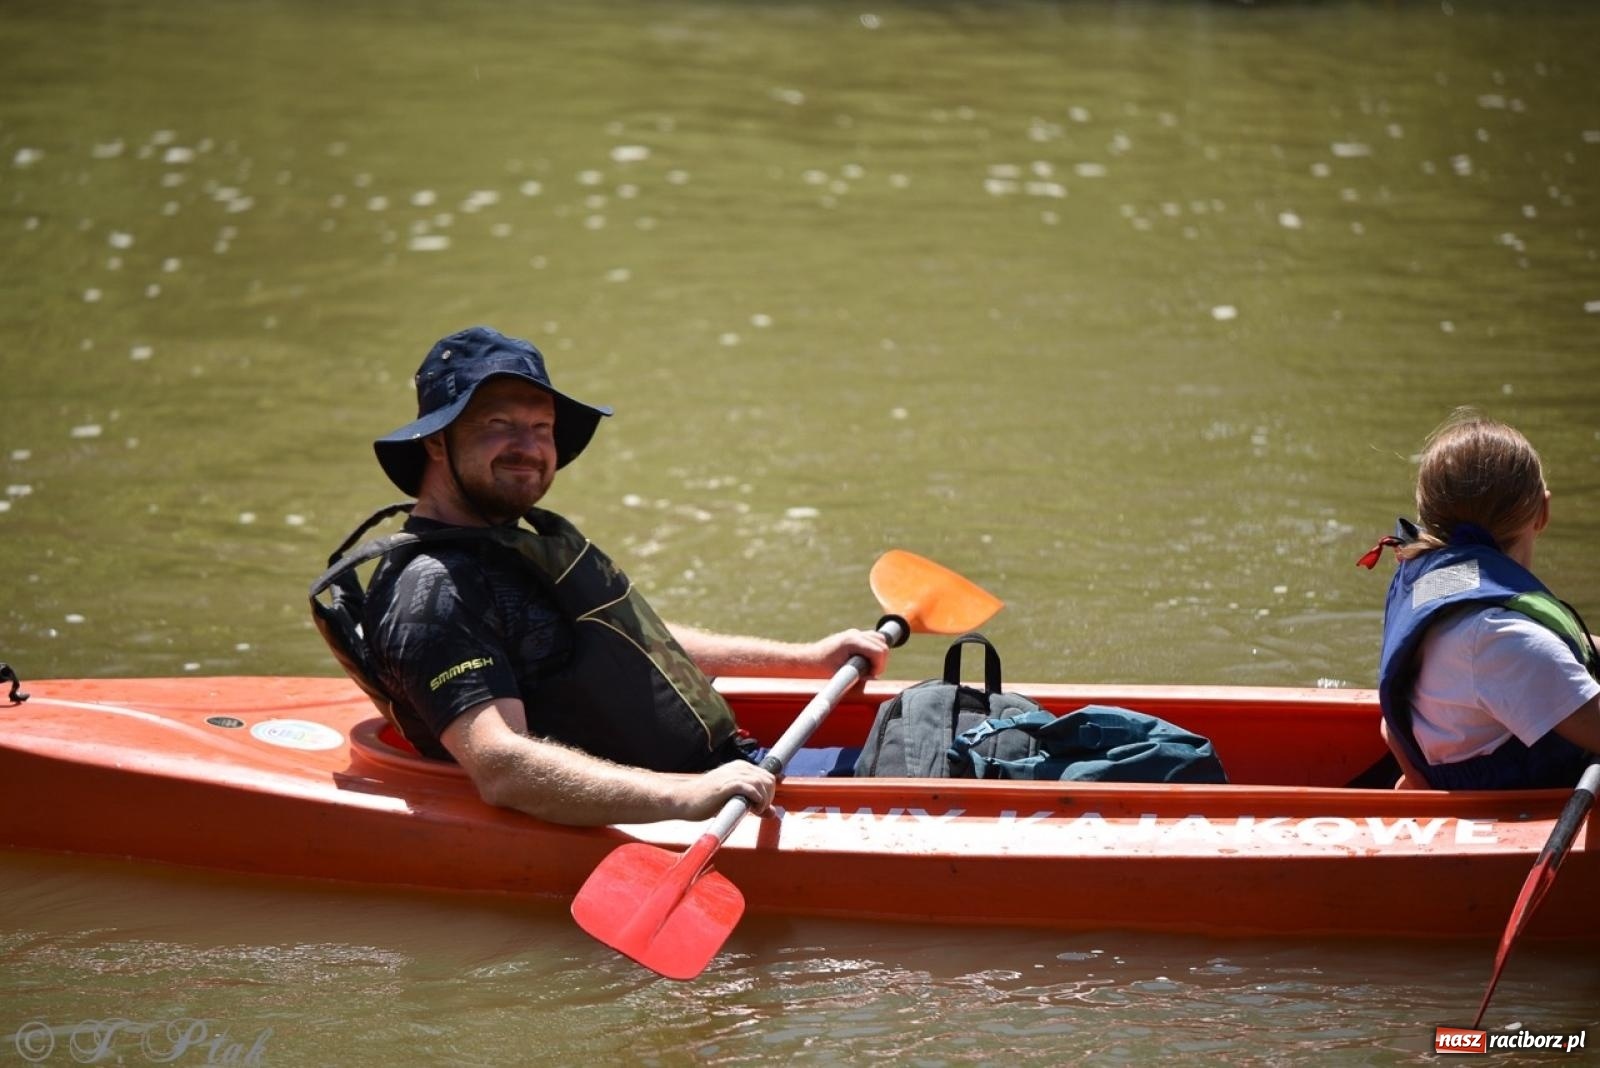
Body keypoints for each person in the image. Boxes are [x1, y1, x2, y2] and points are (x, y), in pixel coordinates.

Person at [315, 325, 890, 826]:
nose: (530, 447)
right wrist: (685, 795)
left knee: (945, 737)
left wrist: (805, 660)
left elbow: (625, 641)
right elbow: (502, 767)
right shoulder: (432, 592)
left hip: (731, 771)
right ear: (437, 442)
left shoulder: (508, 547)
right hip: (690, 803)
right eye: (499, 424)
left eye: (542, 428)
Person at [1359, 409, 1600, 789]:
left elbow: (1391, 724)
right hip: (1506, 805)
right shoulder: (1506, 641)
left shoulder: (1436, 589)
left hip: (1443, 764)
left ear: (1428, 514)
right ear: (1543, 512)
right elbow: (1527, 655)